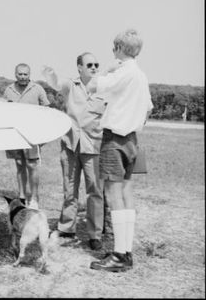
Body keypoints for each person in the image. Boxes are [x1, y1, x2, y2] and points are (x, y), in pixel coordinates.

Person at [87, 29, 153, 272]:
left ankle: (118, 255)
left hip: (114, 139)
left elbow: (95, 85)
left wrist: (106, 68)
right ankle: (125, 252)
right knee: (126, 195)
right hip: (132, 140)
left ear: (118, 48)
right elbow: (148, 108)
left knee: (114, 197)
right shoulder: (141, 75)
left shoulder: (124, 72)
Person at [42, 52, 108, 250]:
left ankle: (95, 235)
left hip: (94, 146)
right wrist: (50, 74)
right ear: (79, 67)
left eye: (96, 64)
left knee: (95, 191)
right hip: (71, 145)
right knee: (69, 189)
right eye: (89, 64)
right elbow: (55, 83)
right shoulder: (71, 85)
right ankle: (66, 228)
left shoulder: (104, 87)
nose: (94, 67)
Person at [3, 63, 50, 210]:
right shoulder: (9, 90)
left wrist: (43, 134)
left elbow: (46, 109)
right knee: (19, 164)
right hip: (15, 134)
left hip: (32, 133)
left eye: (25, 74)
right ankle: (22, 197)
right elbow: (3, 110)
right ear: (15, 74)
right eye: (20, 74)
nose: (23, 77)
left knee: (32, 165)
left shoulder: (37, 89)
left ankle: (34, 198)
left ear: (29, 75)